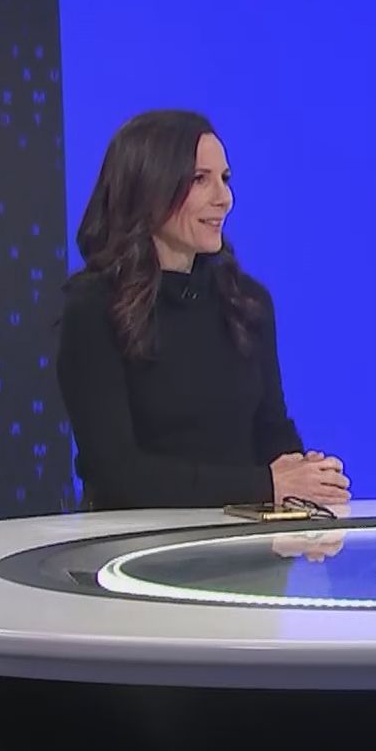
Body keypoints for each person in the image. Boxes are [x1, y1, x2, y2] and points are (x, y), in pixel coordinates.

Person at [55, 110, 350, 511]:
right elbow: (116, 472)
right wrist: (265, 484)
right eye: (200, 179)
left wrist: (305, 475)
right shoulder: (92, 308)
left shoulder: (246, 302)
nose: (223, 198)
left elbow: (271, 430)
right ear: (149, 186)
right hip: (138, 541)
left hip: (241, 541)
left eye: (225, 179)